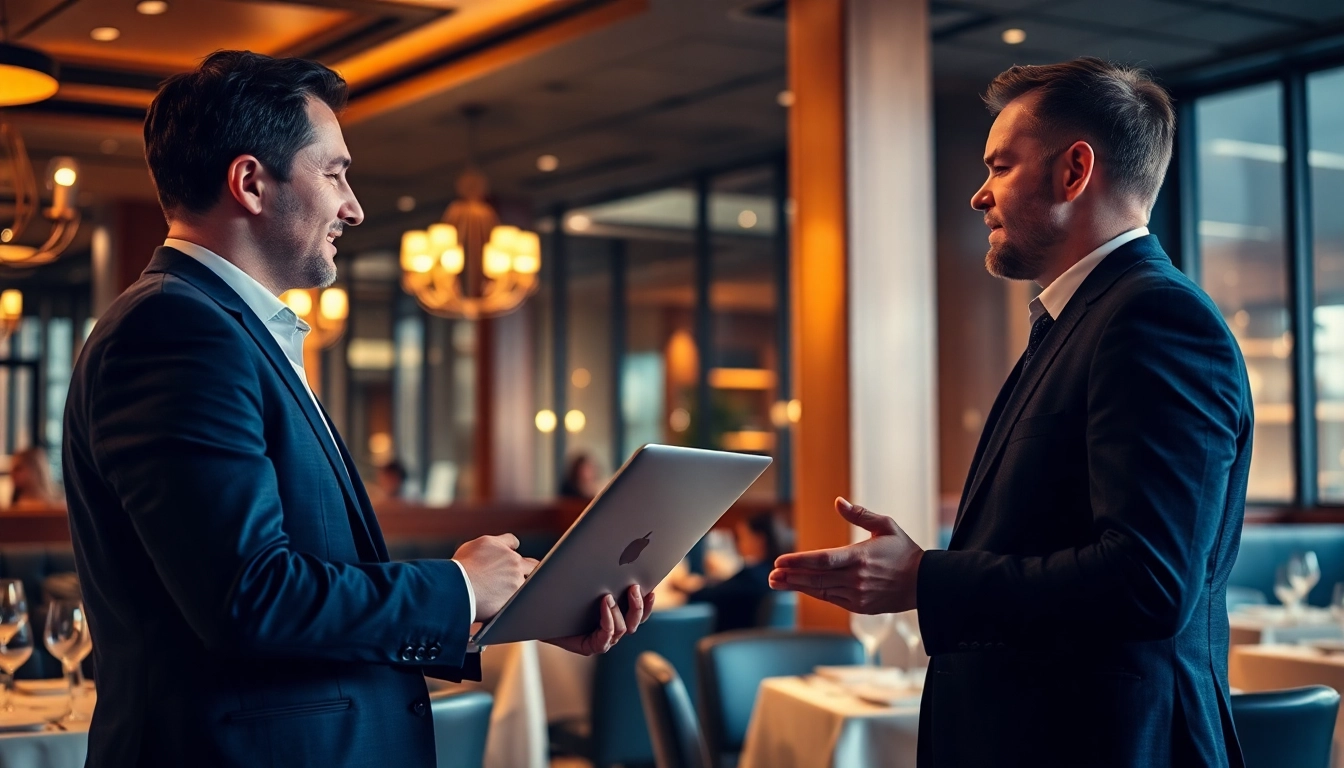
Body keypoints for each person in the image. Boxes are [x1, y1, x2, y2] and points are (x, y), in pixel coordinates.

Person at [62, 51, 652, 768]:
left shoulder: (221, 328)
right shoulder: (177, 331)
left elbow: (290, 587)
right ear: (250, 182)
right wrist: (460, 586)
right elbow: (251, 596)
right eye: (335, 172)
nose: (354, 206)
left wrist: (505, 610)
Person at [770, 58, 1252, 766]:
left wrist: (926, 578)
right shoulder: (1080, 318)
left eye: (1000, 166)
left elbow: (1149, 581)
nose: (978, 195)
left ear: (1073, 172)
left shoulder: (1154, 317)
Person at [681, 513, 792, 632]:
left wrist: (684, 585)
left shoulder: (750, 578)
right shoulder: (780, 576)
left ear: (759, 540)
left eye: (741, 537)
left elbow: (702, 596)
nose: (738, 543)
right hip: (762, 644)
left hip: (732, 641)